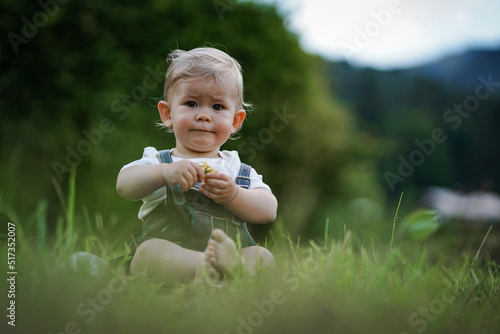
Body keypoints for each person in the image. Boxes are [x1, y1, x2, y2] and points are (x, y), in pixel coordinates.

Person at [116, 47, 277, 285]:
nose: (203, 115)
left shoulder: (237, 170)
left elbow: (268, 211)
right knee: (148, 252)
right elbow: (124, 185)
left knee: (263, 256)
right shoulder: (159, 161)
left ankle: (234, 267)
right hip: (170, 259)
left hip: (230, 251)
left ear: (235, 121)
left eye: (217, 107)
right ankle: (204, 268)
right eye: (191, 103)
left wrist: (233, 195)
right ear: (167, 113)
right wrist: (164, 174)